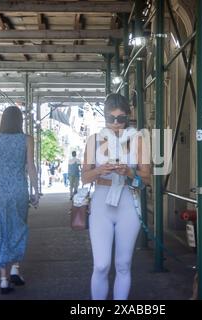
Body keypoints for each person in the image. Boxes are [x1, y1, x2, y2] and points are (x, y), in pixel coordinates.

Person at [81, 93, 151, 300]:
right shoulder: (93, 140)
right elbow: (84, 177)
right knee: (101, 265)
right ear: (104, 118)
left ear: (128, 117)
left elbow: (147, 178)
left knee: (123, 264)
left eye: (121, 119)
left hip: (128, 201)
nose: (116, 123)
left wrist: (129, 172)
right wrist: (100, 170)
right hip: (102, 201)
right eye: (111, 118)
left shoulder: (138, 140)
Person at [0, 106, 39, 294]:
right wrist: (36, 191)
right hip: (19, 189)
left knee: (0, 229)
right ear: (20, 121)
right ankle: (16, 268)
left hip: (0, 189)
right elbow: (31, 167)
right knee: (19, 227)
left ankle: (3, 279)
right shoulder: (27, 140)